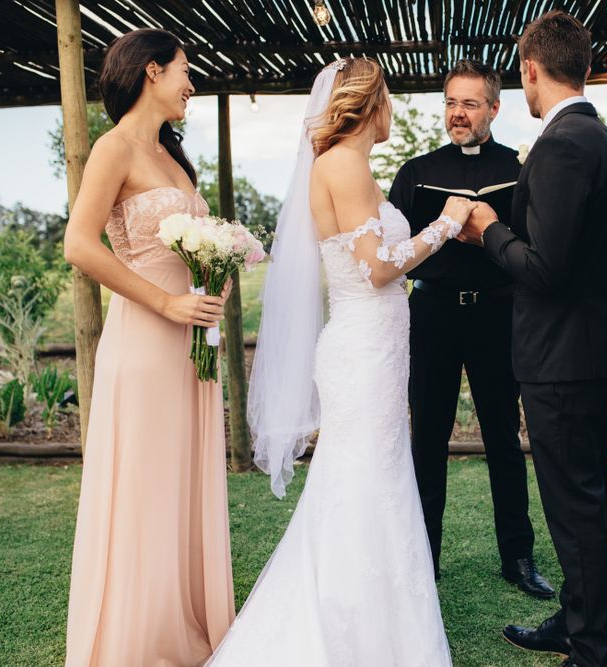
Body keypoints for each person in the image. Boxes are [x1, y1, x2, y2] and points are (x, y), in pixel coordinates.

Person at [209, 58, 476, 666]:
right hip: (363, 350)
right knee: (366, 482)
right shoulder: (345, 164)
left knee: (370, 479)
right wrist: (445, 224)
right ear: (368, 104)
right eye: (388, 99)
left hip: (371, 347)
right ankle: (352, 633)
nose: (392, 111)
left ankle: (377, 624)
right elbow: (376, 268)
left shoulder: (347, 165)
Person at [460, 11, 607, 667]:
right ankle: (577, 618)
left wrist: (488, 230)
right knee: (585, 499)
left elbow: (547, 269)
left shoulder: (562, 146)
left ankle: (589, 645)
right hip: (587, 351)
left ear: (530, 70)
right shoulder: (603, 140)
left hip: (562, 357)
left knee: (574, 504)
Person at [62, 28, 235, 666]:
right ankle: (139, 640)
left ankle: (184, 621)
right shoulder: (113, 148)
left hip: (189, 344)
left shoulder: (173, 157)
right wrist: (164, 302)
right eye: (186, 70)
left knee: (181, 484)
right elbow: (79, 245)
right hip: (144, 340)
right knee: (145, 485)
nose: (191, 84)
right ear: (153, 72)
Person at [388, 59, 553, 599]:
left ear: (494, 109)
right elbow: (394, 249)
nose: (458, 115)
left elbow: (534, 245)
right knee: (427, 439)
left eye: (470, 104)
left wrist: (489, 232)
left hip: (497, 314)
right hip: (432, 315)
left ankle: (519, 557)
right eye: (451, 103)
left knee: (505, 439)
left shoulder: (520, 166)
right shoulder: (415, 171)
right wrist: (441, 232)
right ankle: (423, 558)